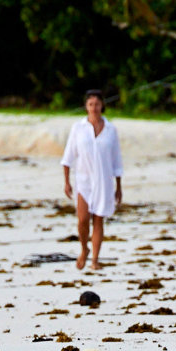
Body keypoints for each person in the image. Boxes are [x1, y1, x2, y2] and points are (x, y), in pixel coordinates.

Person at [62, 89, 123, 270]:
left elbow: (116, 160)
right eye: (90, 105)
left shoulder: (111, 130)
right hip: (84, 180)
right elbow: (68, 157)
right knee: (82, 219)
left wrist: (119, 187)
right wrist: (66, 181)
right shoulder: (78, 128)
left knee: (98, 219)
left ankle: (95, 259)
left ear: (102, 105)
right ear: (86, 107)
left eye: (97, 104)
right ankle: (84, 249)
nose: (94, 108)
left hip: (104, 180)